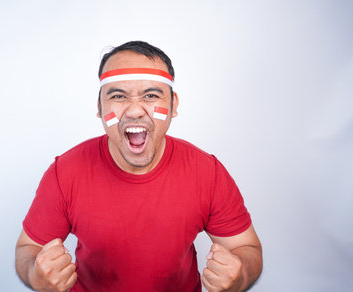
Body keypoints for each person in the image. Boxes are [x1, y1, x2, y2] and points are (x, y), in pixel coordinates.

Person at [15, 41, 263, 292]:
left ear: (173, 105)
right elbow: (28, 249)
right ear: (100, 107)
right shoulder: (65, 171)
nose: (134, 111)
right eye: (118, 96)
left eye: (151, 95)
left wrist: (240, 276)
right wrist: (36, 274)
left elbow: (246, 247)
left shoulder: (207, 172)